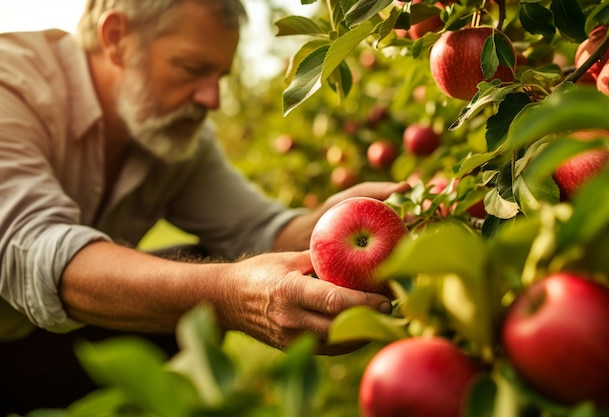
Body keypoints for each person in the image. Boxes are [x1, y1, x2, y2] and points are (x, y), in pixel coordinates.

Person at [0, 0, 410, 412]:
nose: (212, 98)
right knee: (206, 286)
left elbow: (257, 229)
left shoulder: (172, 127)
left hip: (45, 343)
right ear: (116, 38)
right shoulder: (12, 84)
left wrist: (337, 222)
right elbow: (33, 250)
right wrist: (228, 295)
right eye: (192, 69)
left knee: (205, 264)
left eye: (220, 76)